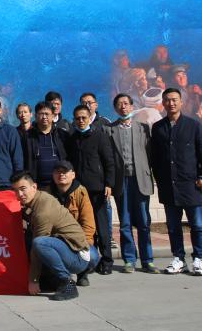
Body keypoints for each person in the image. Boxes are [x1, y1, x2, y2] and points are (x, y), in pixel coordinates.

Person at [151, 87, 202, 276]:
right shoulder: (158, 127)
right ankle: (179, 259)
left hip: (190, 184)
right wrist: (159, 179)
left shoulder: (193, 125)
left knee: (197, 225)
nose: (171, 103)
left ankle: (198, 259)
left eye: (174, 99)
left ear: (181, 102)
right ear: (163, 103)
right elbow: (155, 157)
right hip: (169, 186)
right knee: (173, 226)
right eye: (167, 100)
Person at [12, 171, 91, 302]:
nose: (19, 194)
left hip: (78, 257)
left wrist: (33, 280)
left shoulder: (43, 211)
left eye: (23, 189)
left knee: (39, 243)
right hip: (71, 248)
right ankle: (53, 279)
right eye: (15, 190)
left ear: (34, 187)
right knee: (33, 239)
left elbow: (37, 249)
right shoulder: (38, 199)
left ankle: (67, 283)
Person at [105, 93, 157, 273]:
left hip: (140, 179)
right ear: (115, 108)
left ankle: (148, 260)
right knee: (125, 222)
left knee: (143, 221)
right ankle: (129, 259)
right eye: (119, 104)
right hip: (121, 181)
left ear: (132, 106)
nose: (123, 107)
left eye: (126, 103)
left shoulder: (143, 128)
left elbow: (151, 154)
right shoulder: (109, 130)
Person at [65, 103, 117, 275]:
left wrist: (109, 184)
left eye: (84, 118)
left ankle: (107, 260)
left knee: (102, 227)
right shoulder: (72, 139)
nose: (81, 121)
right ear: (74, 120)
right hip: (79, 190)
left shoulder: (100, 136)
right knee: (85, 227)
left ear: (89, 118)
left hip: (98, 189)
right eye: (78, 118)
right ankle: (90, 261)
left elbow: (109, 162)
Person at [48, 161, 98, 287]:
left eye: (65, 171)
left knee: (92, 256)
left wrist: (83, 244)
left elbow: (88, 224)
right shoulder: (47, 194)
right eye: (58, 171)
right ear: (53, 175)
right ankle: (60, 276)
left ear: (73, 175)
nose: (61, 174)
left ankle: (82, 273)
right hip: (56, 240)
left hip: (78, 240)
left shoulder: (81, 192)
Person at [22, 101, 67, 190]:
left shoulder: (61, 135)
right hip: (36, 186)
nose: (44, 117)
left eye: (47, 114)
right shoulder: (28, 136)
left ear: (53, 116)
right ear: (36, 116)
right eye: (41, 114)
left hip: (59, 184)